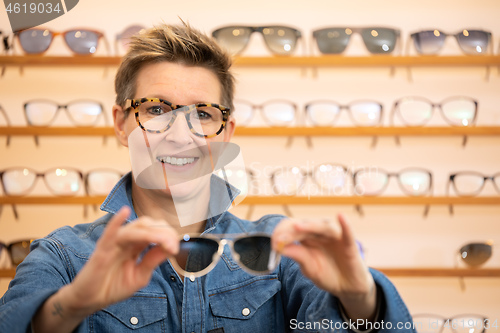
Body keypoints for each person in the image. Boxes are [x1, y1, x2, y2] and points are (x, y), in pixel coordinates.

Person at [0, 22, 415, 333]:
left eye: (202, 114)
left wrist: (360, 300)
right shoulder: (63, 257)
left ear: (226, 134)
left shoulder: (278, 252)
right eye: (156, 109)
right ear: (121, 123)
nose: (181, 135)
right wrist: (71, 305)